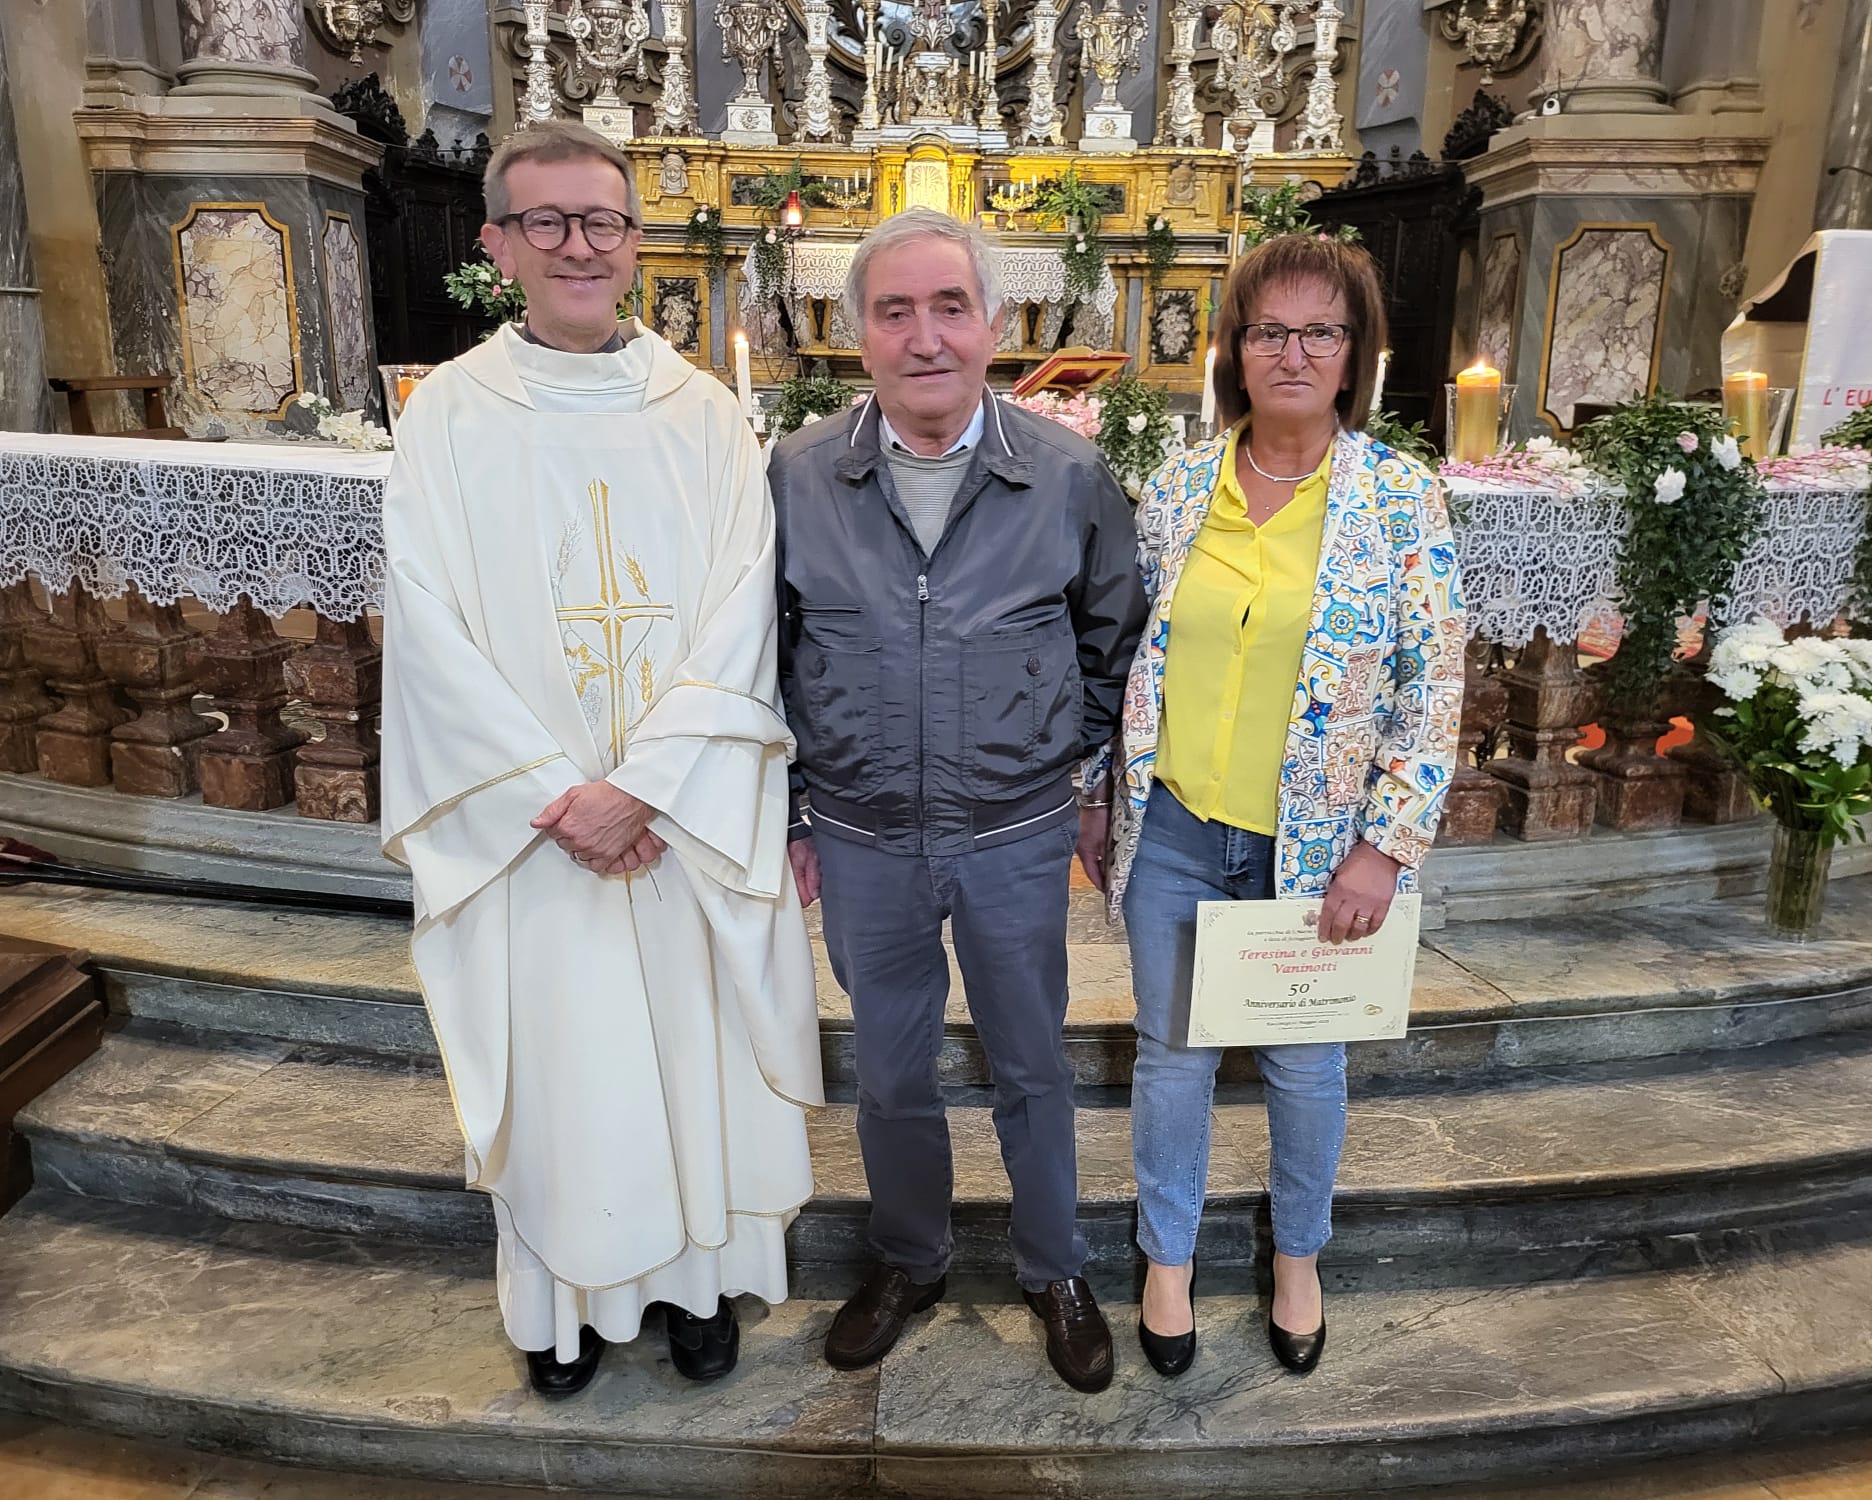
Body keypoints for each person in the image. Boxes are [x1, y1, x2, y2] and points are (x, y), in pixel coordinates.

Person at [380, 120, 822, 1398]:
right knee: (571, 1073)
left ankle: (698, 1289)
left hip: (675, 820)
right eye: (548, 222)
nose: (580, 246)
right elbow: (428, 633)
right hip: (533, 834)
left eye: (604, 222)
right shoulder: (447, 417)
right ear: (497, 244)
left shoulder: (705, 416)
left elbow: (745, 618)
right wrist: (558, 800)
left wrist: (642, 790)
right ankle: (560, 1310)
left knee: (690, 1054)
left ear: (636, 242)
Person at [768, 209, 1148, 1394]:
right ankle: (909, 1256)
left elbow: (1114, 638)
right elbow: (762, 654)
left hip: (1013, 832)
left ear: (993, 324)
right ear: (858, 333)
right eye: (895, 311)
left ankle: (1055, 1267)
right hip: (865, 833)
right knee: (890, 1072)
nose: (925, 337)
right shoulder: (798, 475)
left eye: (950, 307)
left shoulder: (1066, 474)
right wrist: (793, 810)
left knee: (1032, 1065)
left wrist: (1067, 764)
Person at [1092, 234, 1463, 1379]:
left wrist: (1384, 848)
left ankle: (1297, 1255)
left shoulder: (1399, 499)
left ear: (1354, 354)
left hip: (1319, 847)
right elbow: (1125, 653)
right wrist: (1094, 795)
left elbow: (1434, 687)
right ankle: (1166, 1259)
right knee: (1171, 1058)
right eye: (1268, 331)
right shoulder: (1176, 490)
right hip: (1176, 828)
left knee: (1306, 1067)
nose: (1292, 353)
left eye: (1319, 332)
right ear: (1235, 351)